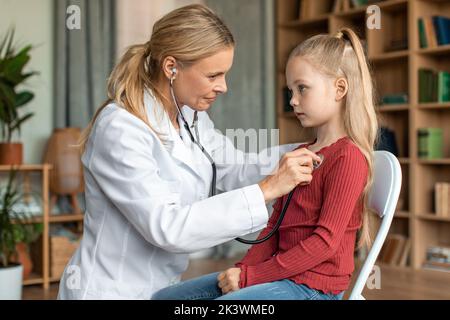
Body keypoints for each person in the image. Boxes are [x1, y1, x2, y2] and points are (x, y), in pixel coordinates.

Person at [57, 4, 321, 300]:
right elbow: (166, 227)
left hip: (163, 288)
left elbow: (236, 169)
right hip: (112, 292)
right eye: (213, 75)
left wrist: (312, 149)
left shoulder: (192, 118)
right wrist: (267, 190)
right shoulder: (120, 128)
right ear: (171, 67)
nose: (223, 87)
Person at [152, 27, 379, 300]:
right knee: (165, 299)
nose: (293, 100)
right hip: (282, 276)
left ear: (339, 88)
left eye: (302, 88)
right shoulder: (300, 155)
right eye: (291, 90)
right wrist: (243, 270)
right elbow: (273, 227)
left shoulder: (348, 158)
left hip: (314, 289)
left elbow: (325, 244)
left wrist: (251, 277)